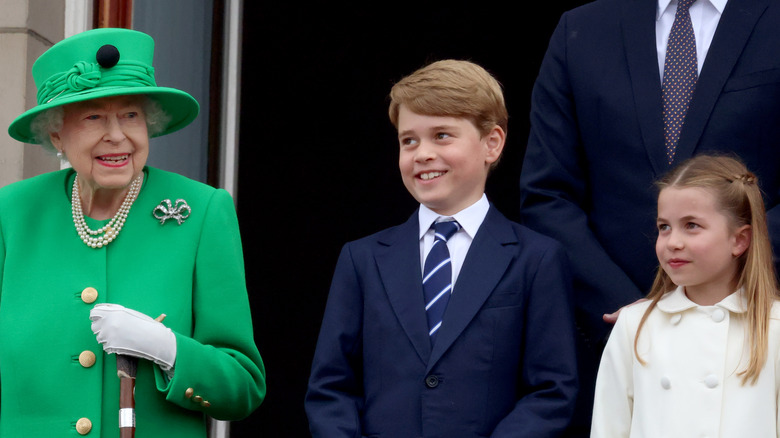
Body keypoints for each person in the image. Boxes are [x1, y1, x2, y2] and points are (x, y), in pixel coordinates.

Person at [519, 0, 780, 433]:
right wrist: (634, 316)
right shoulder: (581, 29)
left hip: (757, 333)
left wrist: (740, 281)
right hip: (613, 337)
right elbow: (548, 193)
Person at [1, 28, 265, 437]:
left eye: (131, 115)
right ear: (56, 134)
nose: (118, 135)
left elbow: (243, 386)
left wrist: (170, 350)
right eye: (94, 117)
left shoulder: (201, 211)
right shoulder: (12, 213)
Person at [304, 59, 578, 437]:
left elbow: (551, 392)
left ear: (492, 144)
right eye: (409, 140)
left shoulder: (537, 259)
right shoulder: (362, 259)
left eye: (442, 136)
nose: (422, 153)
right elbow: (331, 388)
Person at [591, 154, 780, 437]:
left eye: (692, 225)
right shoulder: (635, 326)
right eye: (664, 227)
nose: (673, 242)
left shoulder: (774, 326)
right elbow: (609, 427)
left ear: (739, 240)